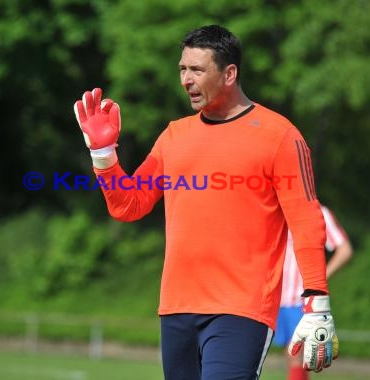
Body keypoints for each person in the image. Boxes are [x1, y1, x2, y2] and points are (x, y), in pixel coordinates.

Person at [73, 25, 339, 380]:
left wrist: (317, 301)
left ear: (229, 73)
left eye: (197, 70)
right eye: (182, 69)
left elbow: (306, 222)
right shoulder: (174, 135)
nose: (186, 79)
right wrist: (104, 154)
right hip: (176, 307)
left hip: (240, 309)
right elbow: (129, 204)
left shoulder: (280, 136)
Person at [275, 205, 353, 380]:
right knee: (292, 358)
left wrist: (317, 279)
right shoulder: (279, 211)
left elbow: (344, 249)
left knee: (296, 356)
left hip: (303, 300)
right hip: (278, 299)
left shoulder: (318, 212)